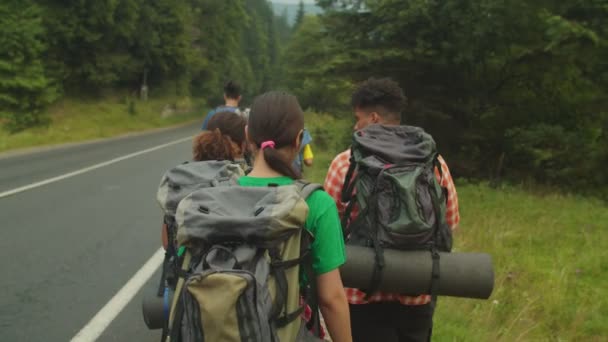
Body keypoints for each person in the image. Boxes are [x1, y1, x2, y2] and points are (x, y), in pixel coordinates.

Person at [323, 78, 460, 342]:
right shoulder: (433, 161)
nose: (355, 125)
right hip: (417, 295)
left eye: (358, 118)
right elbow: (450, 222)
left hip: (361, 296)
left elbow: (328, 237)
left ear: (373, 118)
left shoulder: (345, 163)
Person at [241, 91, 352, 342]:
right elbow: (331, 298)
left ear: (248, 135)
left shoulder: (218, 195)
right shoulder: (316, 202)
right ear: (299, 140)